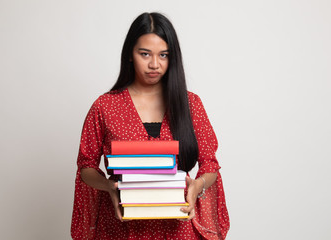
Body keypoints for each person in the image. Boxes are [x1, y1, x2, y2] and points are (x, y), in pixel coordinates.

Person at [71, 12, 229, 239]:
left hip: (179, 227)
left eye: (163, 55)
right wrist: (109, 187)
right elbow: (86, 165)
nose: (154, 64)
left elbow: (210, 164)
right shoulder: (105, 106)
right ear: (130, 55)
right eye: (145, 54)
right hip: (122, 227)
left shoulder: (190, 104)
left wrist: (197, 185)